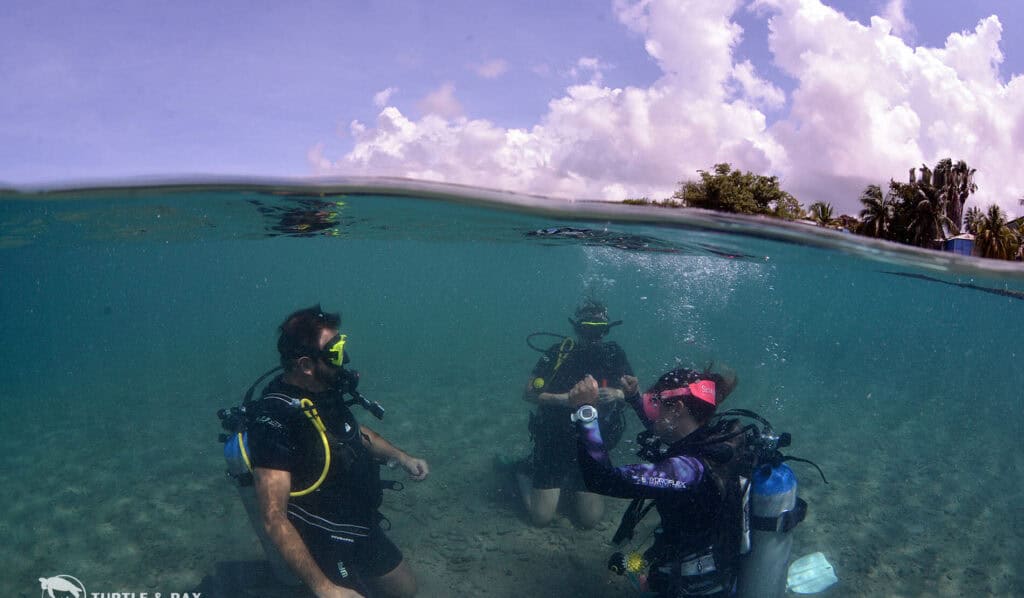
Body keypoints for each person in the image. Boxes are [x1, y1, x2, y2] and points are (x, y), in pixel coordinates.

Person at [246, 306, 429, 598]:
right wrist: (325, 589)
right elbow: (273, 516)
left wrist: (401, 457)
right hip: (319, 534)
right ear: (306, 365)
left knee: (405, 591)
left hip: (355, 519)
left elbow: (353, 434)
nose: (343, 359)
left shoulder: (324, 389)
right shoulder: (275, 421)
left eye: (341, 346)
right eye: (334, 352)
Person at [567, 367, 741, 597]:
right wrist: (634, 398)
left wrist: (585, 412)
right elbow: (664, 425)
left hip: (694, 587)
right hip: (709, 561)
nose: (652, 412)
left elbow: (602, 479)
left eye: (655, 404)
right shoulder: (712, 439)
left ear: (678, 409)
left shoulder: (687, 471)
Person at [516, 300, 634, 528]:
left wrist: (617, 393)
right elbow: (529, 393)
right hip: (555, 439)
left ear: (606, 330)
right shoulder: (559, 352)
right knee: (541, 518)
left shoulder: (614, 354)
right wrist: (568, 400)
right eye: (587, 330)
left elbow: (631, 393)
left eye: (599, 330)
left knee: (590, 520)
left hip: (592, 443)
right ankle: (523, 471)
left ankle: (570, 480)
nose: (593, 337)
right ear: (577, 328)